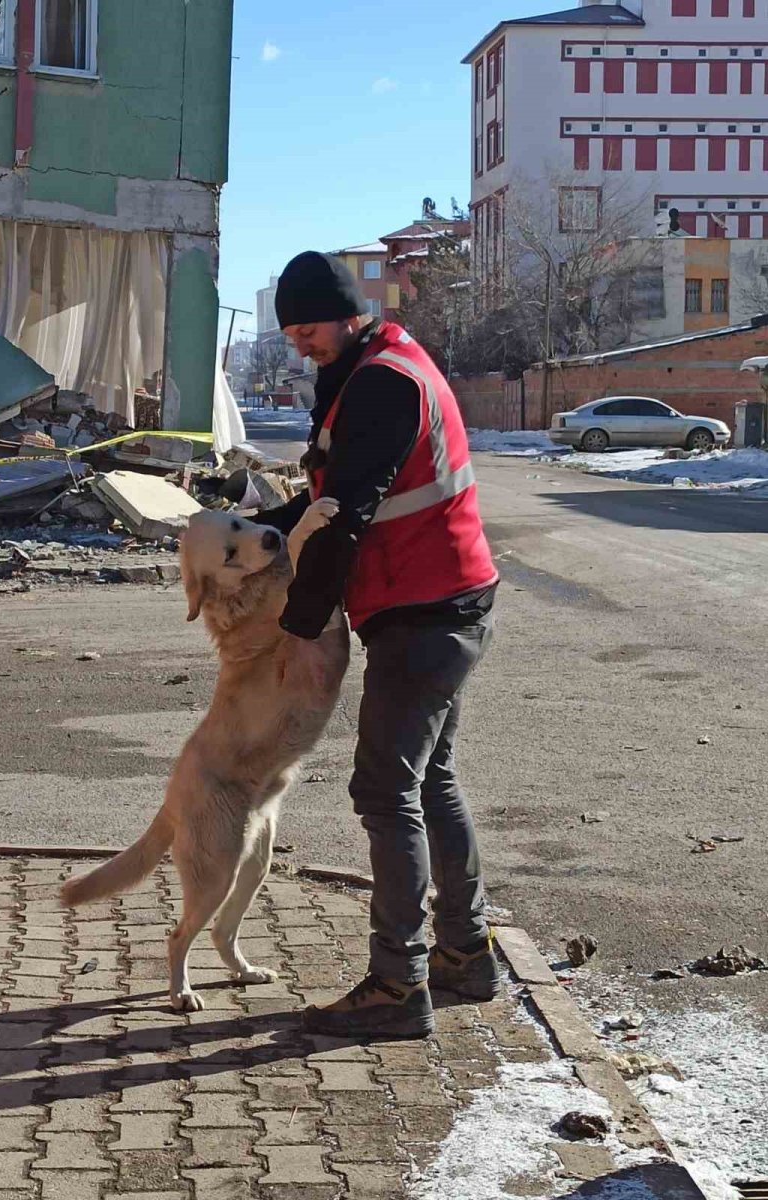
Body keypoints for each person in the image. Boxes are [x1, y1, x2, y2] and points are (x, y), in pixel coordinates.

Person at [250, 251, 500, 1039]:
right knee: (430, 782)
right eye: (291, 333)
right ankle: (468, 952)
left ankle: (398, 985)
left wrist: (295, 629)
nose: (301, 345)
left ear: (347, 313)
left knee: (385, 791)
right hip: (439, 600)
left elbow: (350, 511)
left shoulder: (384, 381)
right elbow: (330, 494)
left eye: (310, 328)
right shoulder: (372, 365)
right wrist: (267, 529)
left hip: (425, 610)